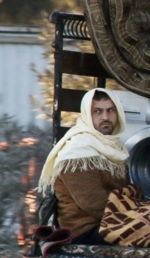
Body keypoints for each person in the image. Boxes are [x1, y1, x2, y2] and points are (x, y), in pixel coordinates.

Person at [38, 88, 129, 244]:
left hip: (109, 222)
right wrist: (136, 214)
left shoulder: (113, 147)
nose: (105, 117)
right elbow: (95, 204)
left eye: (111, 110)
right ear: (87, 114)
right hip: (84, 231)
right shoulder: (78, 150)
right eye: (98, 111)